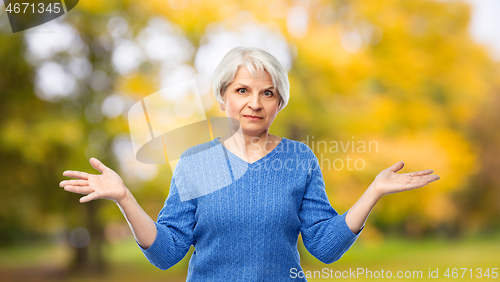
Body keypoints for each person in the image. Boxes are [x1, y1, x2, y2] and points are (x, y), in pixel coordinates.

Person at [60, 46, 440, 281]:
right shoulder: (196, 163)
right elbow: (166, 253)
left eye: (267, 93)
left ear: (280, 103)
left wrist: (373, 191)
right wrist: (125, 197)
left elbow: (324, 246)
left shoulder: (299, 159)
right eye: (242, 90)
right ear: (223, 99)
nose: (254, 103)